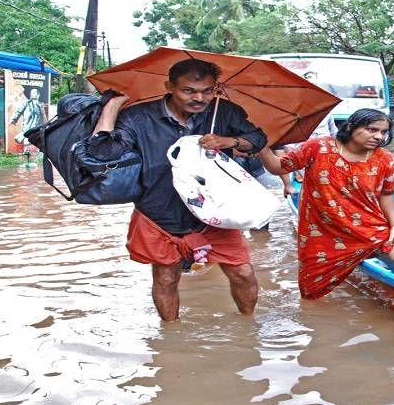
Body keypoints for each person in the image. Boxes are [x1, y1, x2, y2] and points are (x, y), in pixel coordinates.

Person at [89, 59, 266, 321]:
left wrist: (229, 141)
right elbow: (102, 152)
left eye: (207, 91)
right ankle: (170, 333)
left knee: (242, 272)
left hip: (215, 213)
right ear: (169, 87)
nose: (199, 98)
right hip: (159, 212)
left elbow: (258, 138)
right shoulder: (138, 117)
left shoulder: (224, 112)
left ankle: (249, 325)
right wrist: (113, 107)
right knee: (166, 277)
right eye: (189, 91)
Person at [257, 109, 394, 300]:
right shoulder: (318, 147)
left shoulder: (385, 159)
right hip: (322, 230)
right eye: (372, 129)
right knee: (310, 291)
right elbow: (278, 167)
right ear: (350, 127)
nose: (379, 136)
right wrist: (260, 145)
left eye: (383, 132)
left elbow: (387, 194)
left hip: (365, 226)